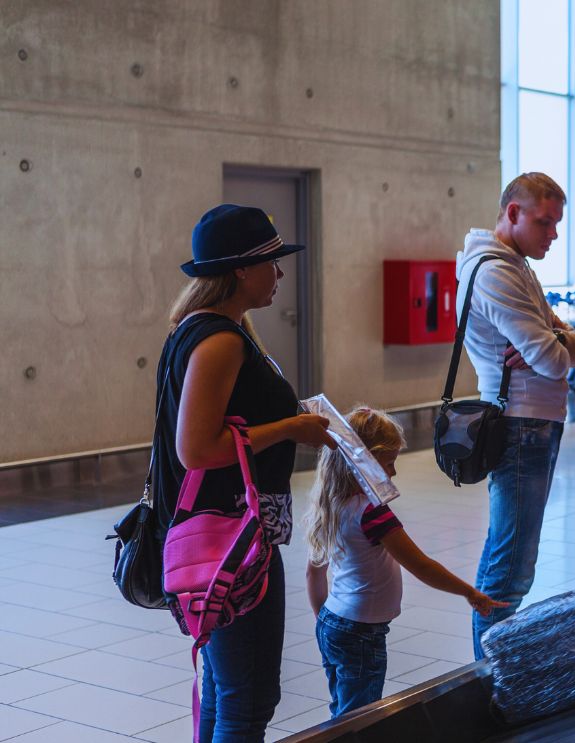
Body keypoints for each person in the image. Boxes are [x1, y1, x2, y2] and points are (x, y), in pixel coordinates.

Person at [156, 204, 337, 741]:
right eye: (272, 262)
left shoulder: (202, 329)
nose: (280, 273)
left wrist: (285, 418)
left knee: (227, 690)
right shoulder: (220, 341)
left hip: (223, 533)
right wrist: (287, 429)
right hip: (232, 541)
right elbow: (197, 448)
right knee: (248, 697)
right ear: (240, 269)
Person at [457, 172, 575, 659]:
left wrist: (562, 337)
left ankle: (493, 669)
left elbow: (565, 343)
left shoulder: (515, 265)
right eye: (545, 222)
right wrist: (559, 342)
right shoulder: (496, 272)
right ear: (513, 213)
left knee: (513, 559)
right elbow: (554, 358)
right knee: (509, 567)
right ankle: (489, 675)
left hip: (532, 422)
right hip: (520, 424)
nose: (553, 233)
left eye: (557, 223)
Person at [305, 407, 506, 718]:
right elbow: (420, 565)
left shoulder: (330, 504)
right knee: (359, 718)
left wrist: (324, 620)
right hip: (360, 632)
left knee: (341, 710)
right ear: (363, 460)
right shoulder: (371, 512)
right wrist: (469, 592)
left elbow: (313, 574)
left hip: (334, 622)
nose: (394, 473)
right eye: (389, 463)